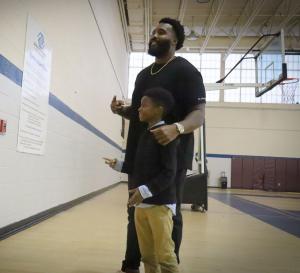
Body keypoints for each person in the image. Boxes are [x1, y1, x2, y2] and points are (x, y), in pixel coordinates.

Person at [111, 17, 206, 273]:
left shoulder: (186, 71)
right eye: (153, 32)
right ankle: (131, 264)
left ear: (175, 40)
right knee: (135, 210)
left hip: (170, 155)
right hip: (140, 155)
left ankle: (168, 266)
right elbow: (140, 113)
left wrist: (177, 128)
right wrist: (123, 110)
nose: (154, 35)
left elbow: (198, 114)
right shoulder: (143, 75)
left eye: (161, 32)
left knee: (168, 214)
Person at [106, 87, 180, 273]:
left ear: (159, 109)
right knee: (147, 256)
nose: (138, 109)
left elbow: (169, 173)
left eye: (143, 105)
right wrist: (118, 165)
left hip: (160, 206)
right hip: (142, 206)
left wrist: (144, 191)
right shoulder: (144, 134)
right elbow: (137, 167)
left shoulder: (165, 135)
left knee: (165, 256)